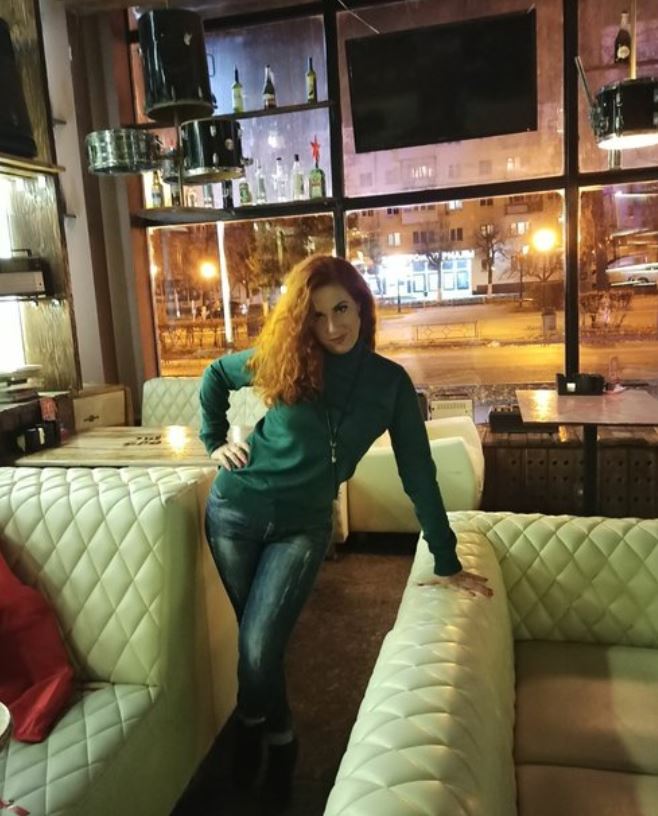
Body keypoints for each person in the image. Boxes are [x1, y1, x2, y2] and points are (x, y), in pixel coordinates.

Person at [200, 255, 492, 805]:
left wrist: (446, 558)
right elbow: (216, 376)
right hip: (235, 511)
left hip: (304, 527)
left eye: (341, 309)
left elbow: (418, 472)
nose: (332, 326)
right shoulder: (286, 359)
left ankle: (253, 722)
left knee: (259, 645)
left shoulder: (389, 384)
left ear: (362, 307)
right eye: (316, 315)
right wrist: (214, 440)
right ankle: (280, 735)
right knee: (257, 641)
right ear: (301, 321)